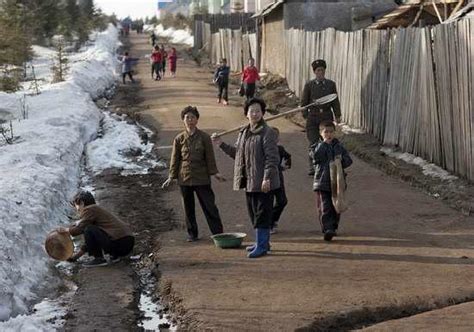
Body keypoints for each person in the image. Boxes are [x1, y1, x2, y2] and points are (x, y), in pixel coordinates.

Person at [212, 98, 280, 258]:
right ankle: (262, 242)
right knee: (254, 213)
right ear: (246, 114)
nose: (255, 114)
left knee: (262, 214)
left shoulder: (267, 133)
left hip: (264, 182)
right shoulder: (244, 132)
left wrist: (267, 178)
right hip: (250, 181)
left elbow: (272, 158)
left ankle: (262, 246)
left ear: (263, 113)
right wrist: (220, 144)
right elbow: (238, 154)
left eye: (258, 111)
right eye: (252, 111)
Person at [162, 106, 226, 242]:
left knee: (210, 206)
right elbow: (175, 159)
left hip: (202, 178)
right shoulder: (179, 139)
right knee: (188, 208)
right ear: (183, 120)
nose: (190, 120)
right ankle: (192, 234)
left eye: (193, 117)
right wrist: (171, 176)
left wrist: (215, 173)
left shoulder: (204, 137)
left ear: (197, 120)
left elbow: (210, 157)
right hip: (184, 178)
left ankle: (218, 233)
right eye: (187, 118)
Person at [58, 191, 135, 267]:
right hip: (127, 243)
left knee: (88, 229)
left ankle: (99, 259)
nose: (77, 209)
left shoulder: (89, 209)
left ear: (82, 203)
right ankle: (115, 256)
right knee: (90, 230)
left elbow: (80, 229)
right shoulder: (96, 210)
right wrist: (76, 257)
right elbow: (92, 240)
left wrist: (66, 230)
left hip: (121, 243)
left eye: (76, 206)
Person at [311, 121, 352, 241]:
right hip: (322, 182)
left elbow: (349, 161)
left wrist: (341, 160)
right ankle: (327, 228)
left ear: (335, 133)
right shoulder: (316, 146)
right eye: (326, 132)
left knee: (336, 205)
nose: (328, 134)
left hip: (337, 182)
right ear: (321, 133)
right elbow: (316, 157)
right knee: (325, 206)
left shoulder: (339, 147)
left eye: (331, 132)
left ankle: (333, 226)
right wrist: (323, 144)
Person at [301, 59, 341, 176]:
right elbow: (304, 103)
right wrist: (306, 115)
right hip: (313, 118)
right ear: (315, 72)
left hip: (326, 117)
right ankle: (313, 166)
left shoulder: (330, 84)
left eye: (322, 70)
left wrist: (337, 115)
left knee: (327, 141)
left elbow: (335, 101)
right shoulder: (309, 85)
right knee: (313, 142)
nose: (320, 72)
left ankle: (329, 165)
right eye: (318, 70)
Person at [270, 127, 291, 234]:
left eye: (275, 137)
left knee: (282, 201)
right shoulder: (261, 150)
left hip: (278, 179)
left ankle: (272, 220)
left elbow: (288, 157)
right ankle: (267, 225)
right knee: (266, 203)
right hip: (265, 180)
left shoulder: (280, 149)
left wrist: (285, 165)